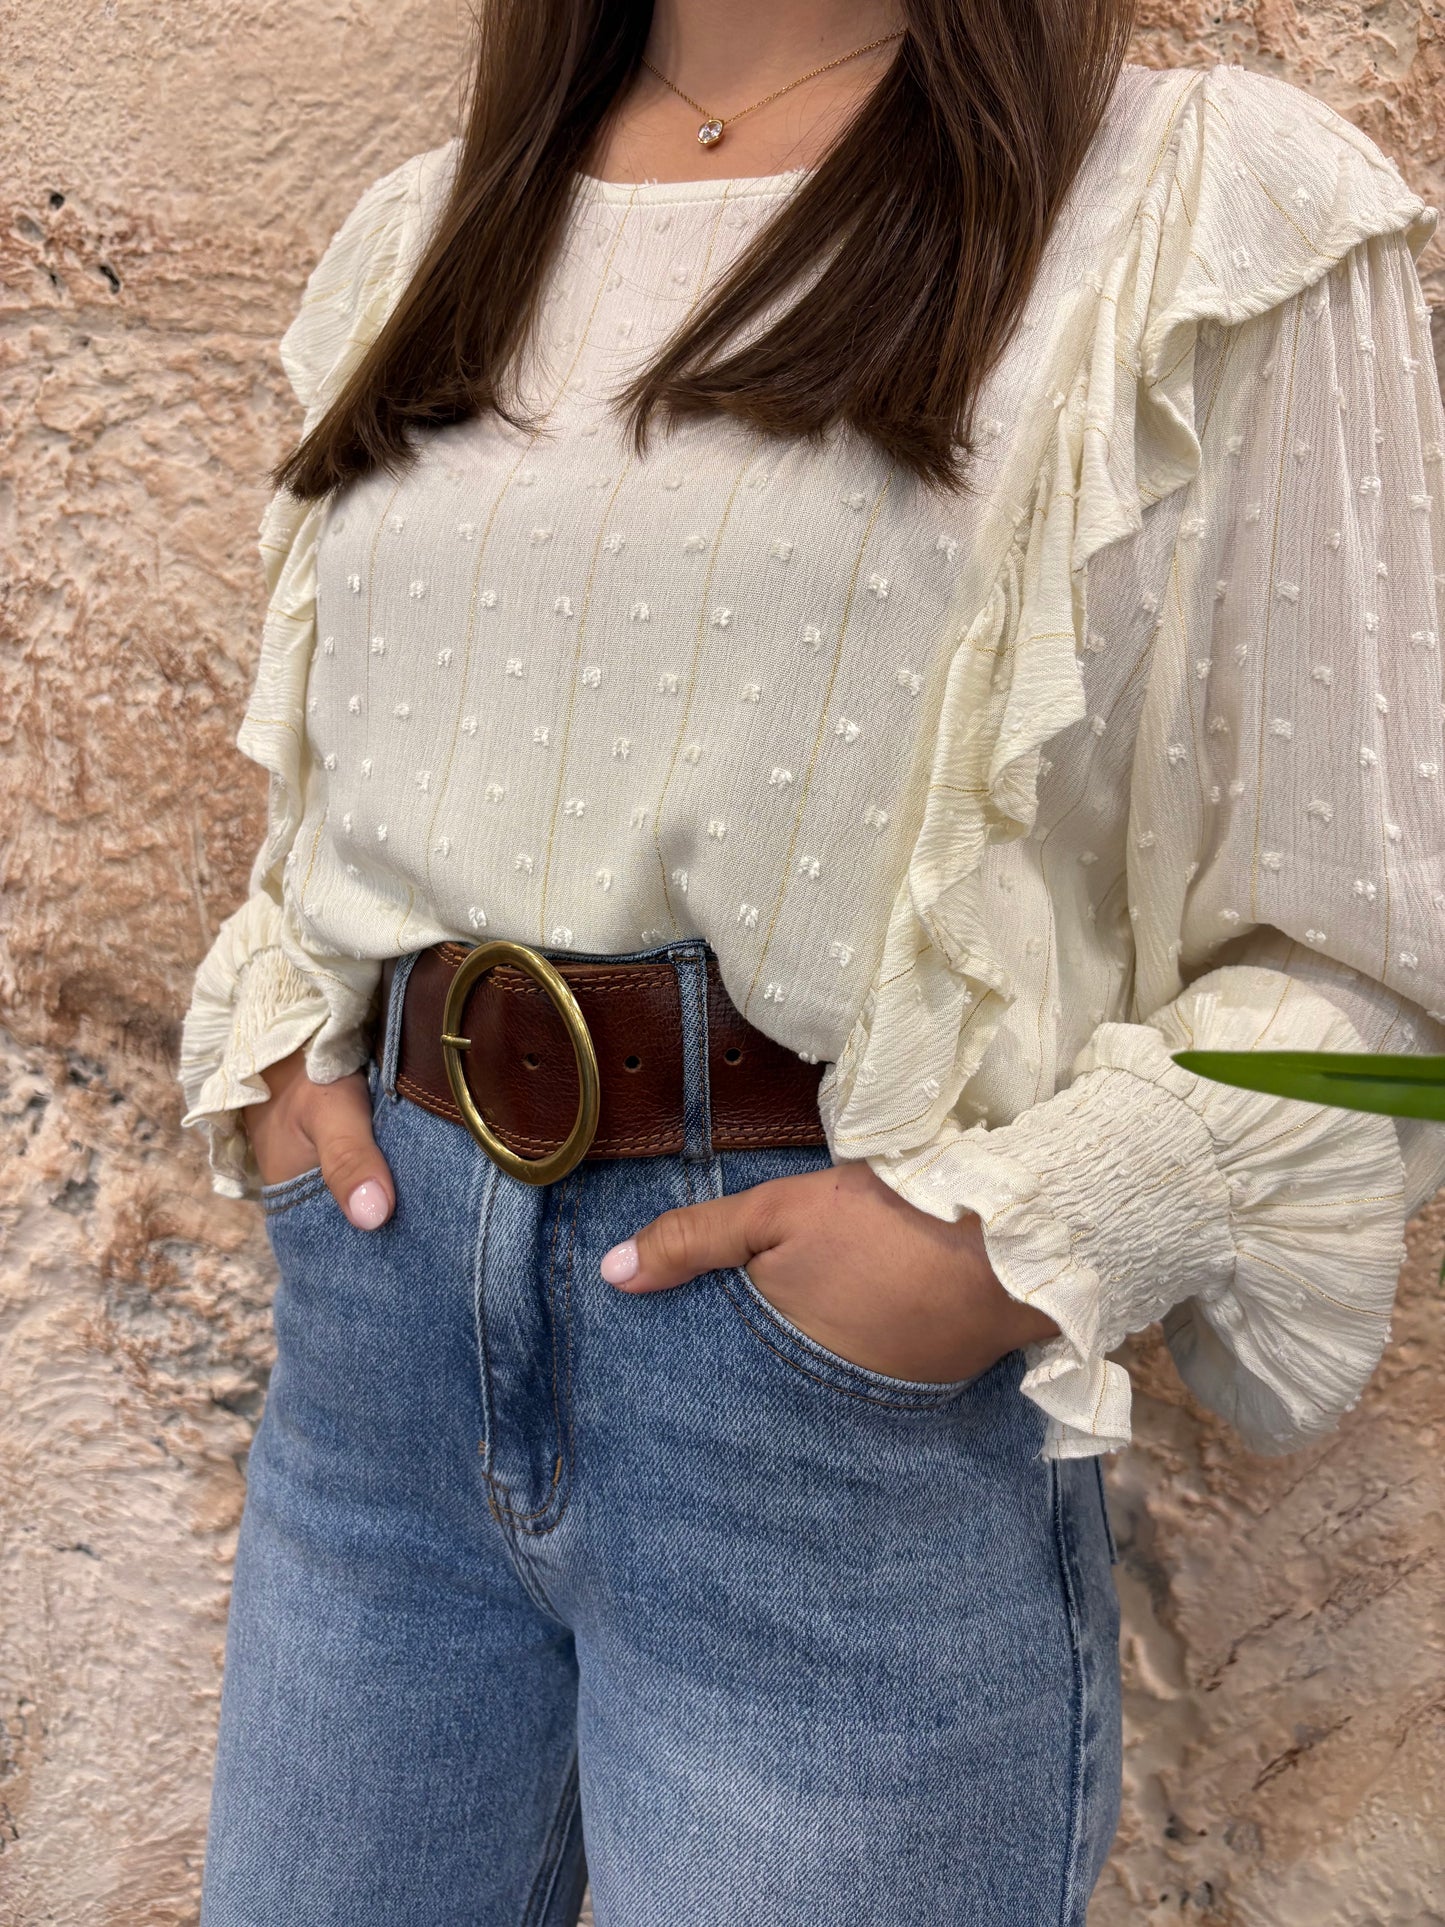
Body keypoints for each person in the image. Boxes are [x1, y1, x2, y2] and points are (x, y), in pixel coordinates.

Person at [178, 1, 1445, 1920]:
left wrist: (991, 1247)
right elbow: (342, 802)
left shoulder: (1204, 202)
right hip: (375, 1364)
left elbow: (1382, 971)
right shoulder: (429, 229)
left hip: (821, 1409)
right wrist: (287, 1070)